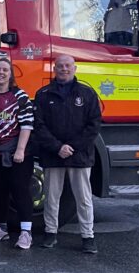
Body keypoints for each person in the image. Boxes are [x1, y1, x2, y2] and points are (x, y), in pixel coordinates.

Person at [33, 55, 102, 254]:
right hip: (53, 154)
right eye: (60, 66)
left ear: (75, 68)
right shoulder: (44, 94)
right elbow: (39, 125)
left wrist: (72, 147)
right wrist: (57, 147)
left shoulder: (87, 94)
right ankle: (50, 233)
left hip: (79, 155)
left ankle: (88, 237)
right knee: (52, 198)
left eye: (68, 66)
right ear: (54, 69)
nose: (64, 69)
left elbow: (94, 125)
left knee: (84, 198)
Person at [0, 58, 35, 251]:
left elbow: (27, 124)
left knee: (20, 190)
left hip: (17, 153)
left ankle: (26, 232)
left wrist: (20, 150)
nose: (0, 73)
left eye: (4, 70)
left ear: (10, 74)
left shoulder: (20, 96)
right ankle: (1, 228)